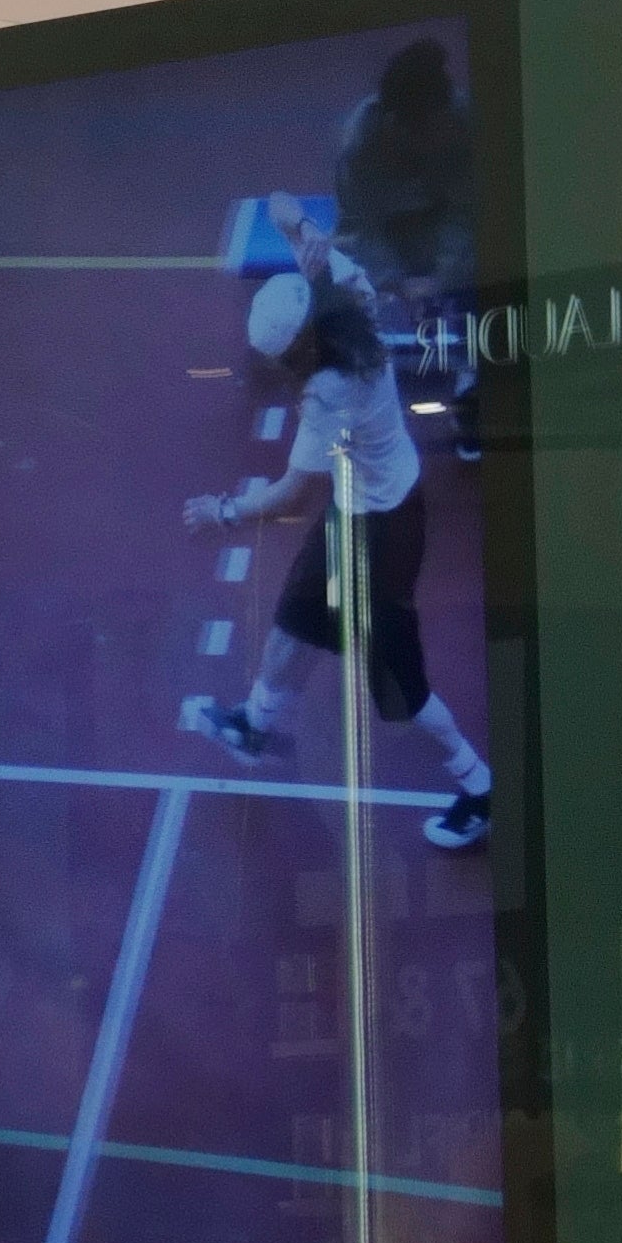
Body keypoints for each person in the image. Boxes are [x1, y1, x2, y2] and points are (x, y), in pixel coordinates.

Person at [180, 261, 498, 852]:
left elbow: (291, 495)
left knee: (400, 688)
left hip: (382, 538)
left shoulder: (328, 393)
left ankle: (479, 788)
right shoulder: (357, 303)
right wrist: (296, 221)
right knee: (294, 617)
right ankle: (254, 725)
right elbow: (324, 260)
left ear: (297, 346)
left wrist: (222, 512)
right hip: (366, 510)